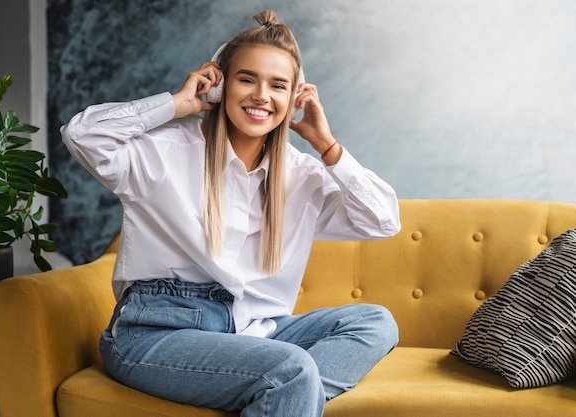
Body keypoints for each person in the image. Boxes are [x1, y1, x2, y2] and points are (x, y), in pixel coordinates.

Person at [61, 9, 401, 417]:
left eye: (277, 85)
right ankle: (283, 395)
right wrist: (177, 104)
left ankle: (280, 399)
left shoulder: (301, 176)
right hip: (155, 333)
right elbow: (81, 134)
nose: (261, 95)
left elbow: (383, 221)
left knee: (375, 322)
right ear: (220, 86)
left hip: (255, 334)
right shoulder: (165, 152)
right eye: (246, 79)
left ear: (294, 99)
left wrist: (326, 143)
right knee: (292, 371)